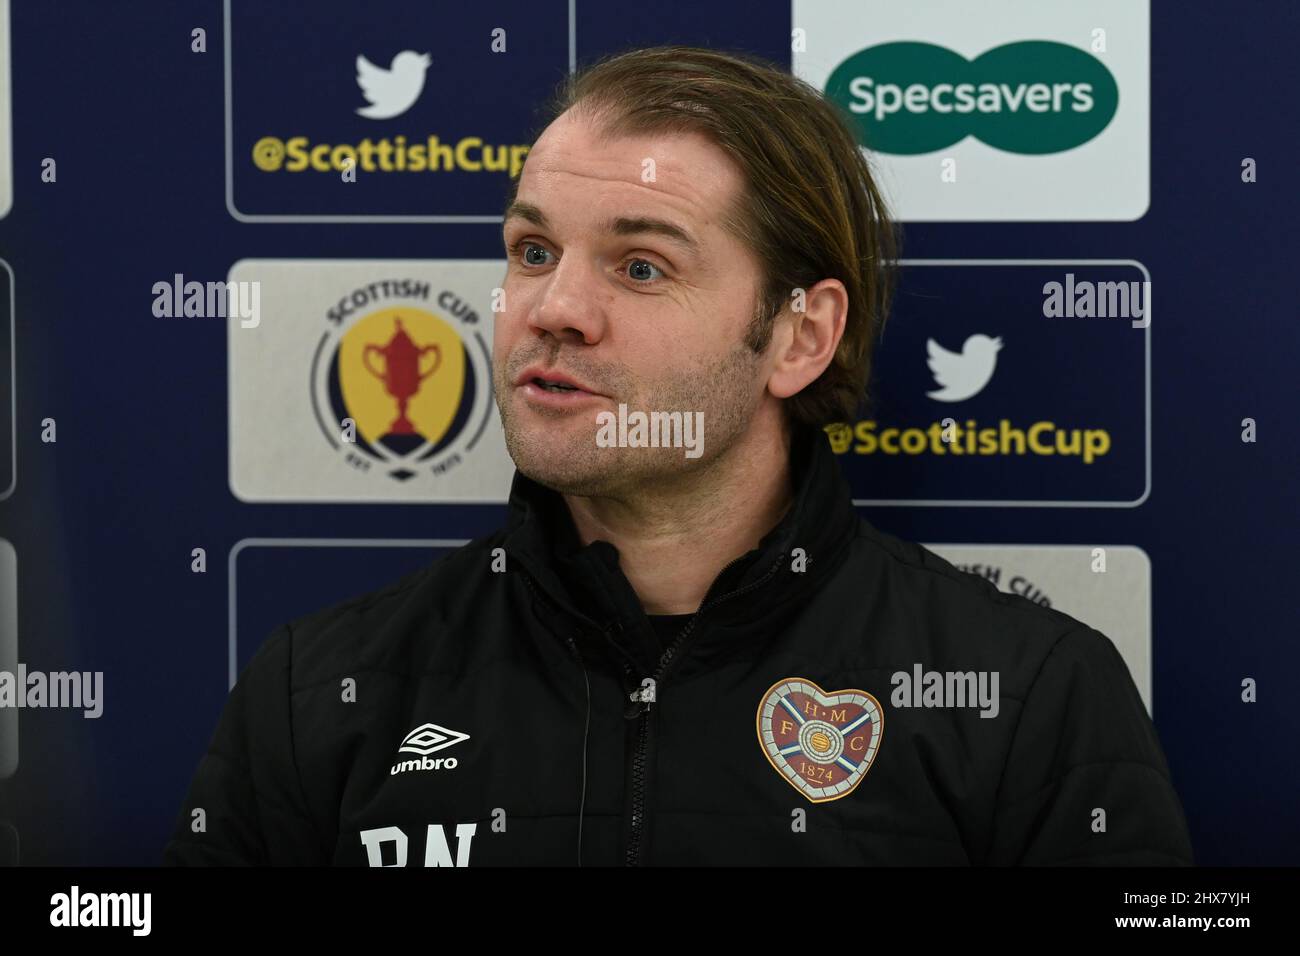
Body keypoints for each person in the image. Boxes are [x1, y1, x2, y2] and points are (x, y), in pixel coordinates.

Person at [164, 45, 1193, 866]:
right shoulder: (327, 688)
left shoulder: (1025, 695)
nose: (553, 309)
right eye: (532, 251)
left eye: (641, 264)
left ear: (798, 334)